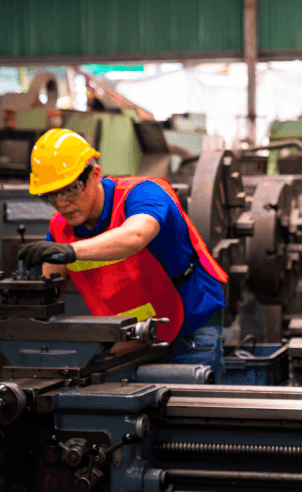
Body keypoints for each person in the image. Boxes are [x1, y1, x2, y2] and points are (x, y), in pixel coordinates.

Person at [18, 128, 228, 382]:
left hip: (191, 321)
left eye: (70, 190)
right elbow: (49, 289)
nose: (61, 203)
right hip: (132, 336)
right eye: (50, 195)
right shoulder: (60, 228)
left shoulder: (143, 194)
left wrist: (70, 251)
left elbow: (134, 236)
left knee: (191, 410)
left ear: (95, 174)